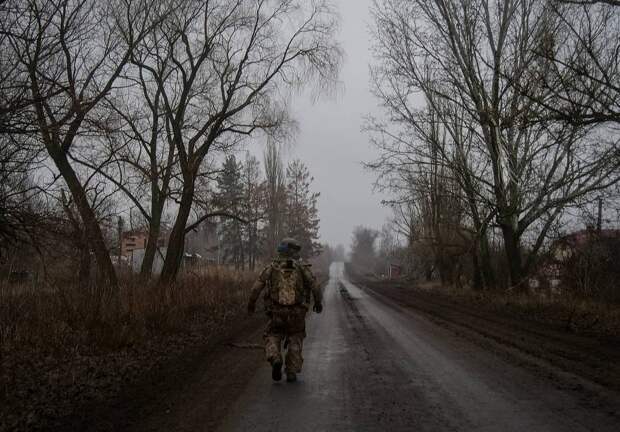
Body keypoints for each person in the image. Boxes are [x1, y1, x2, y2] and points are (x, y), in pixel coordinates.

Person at [247, 238, 323, 382]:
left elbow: (256, 287)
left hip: (276, 312)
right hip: (297, 313)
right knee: (296, 337)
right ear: (293, 251)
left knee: (272, 335)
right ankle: (291, 371)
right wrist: (318, 303)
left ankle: (275, 357)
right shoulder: (302, 267)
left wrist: (251, 304)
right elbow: (315, 286)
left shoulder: (272, 267)